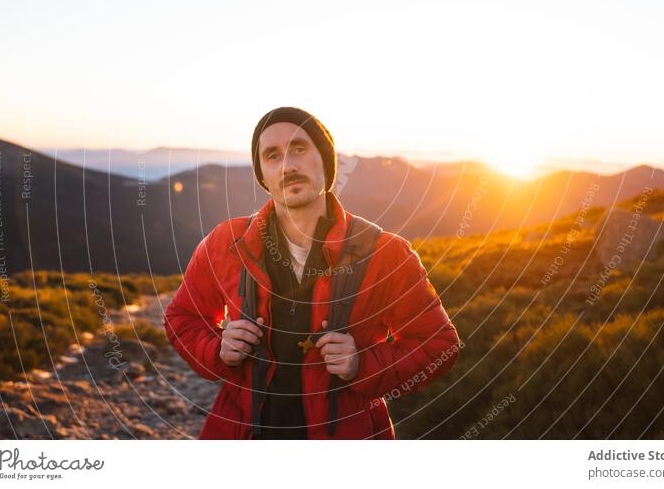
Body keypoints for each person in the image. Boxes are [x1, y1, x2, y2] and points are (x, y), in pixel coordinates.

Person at [163, 107, 460, 439]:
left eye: (299, 149)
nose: (288, 166)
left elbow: (440, 344)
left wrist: (362, 364)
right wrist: (217, 348)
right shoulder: (225, 243)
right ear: (263, 175)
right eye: (272, 156)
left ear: (326, 161)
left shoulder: (386, 253)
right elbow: (182, 317)